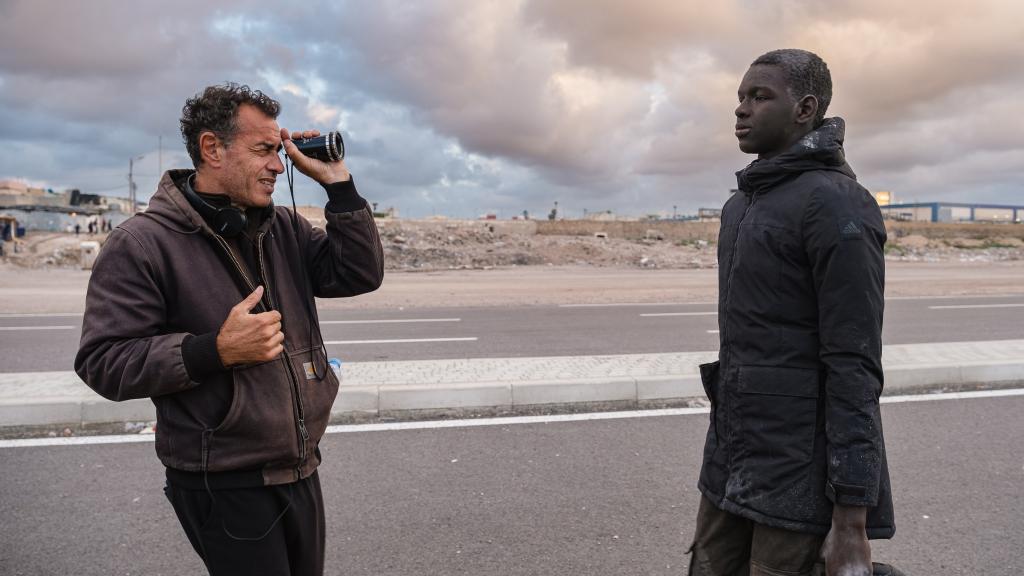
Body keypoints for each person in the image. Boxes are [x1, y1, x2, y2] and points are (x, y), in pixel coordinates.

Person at [75, 83, 384, 575]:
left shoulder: (283, 227)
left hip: (299, 464)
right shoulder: (141, 244)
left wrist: (338, 184)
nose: (278, 166)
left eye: (278, 151)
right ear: (212, 149)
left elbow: (357, 274)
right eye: (264, 150)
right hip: (223, 478)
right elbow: (104, 363)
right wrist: (214, 351)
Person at [688, 50, 900, 576]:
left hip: (800, 476)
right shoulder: (742, 205)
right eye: (740, 97)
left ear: (805, 109)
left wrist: (851, 517)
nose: (741, 109)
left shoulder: (837, 204)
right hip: (732, 459)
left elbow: (855, 365)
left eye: (760, 97)